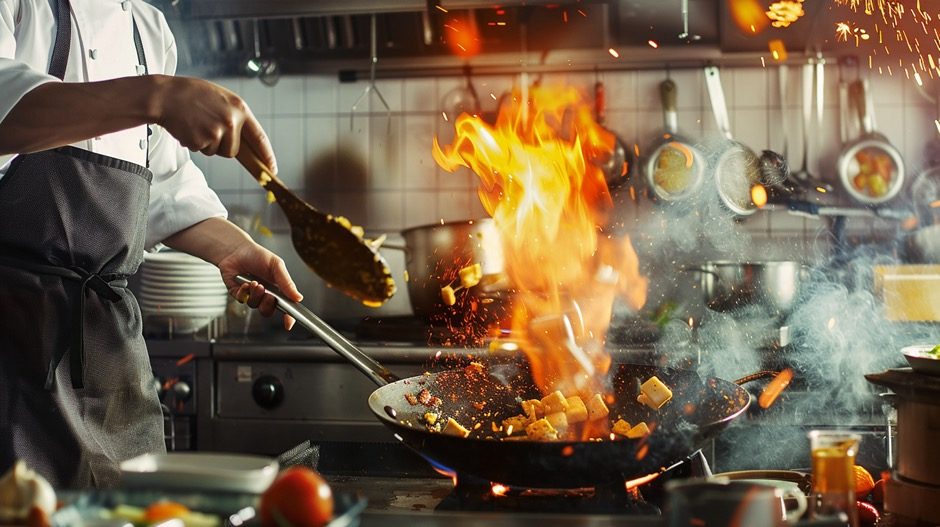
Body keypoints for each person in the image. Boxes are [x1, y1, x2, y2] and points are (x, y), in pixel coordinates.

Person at [0, 0, 303, 489]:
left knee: (139, 511)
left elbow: (161, 187)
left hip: (111, 355)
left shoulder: (147, 28)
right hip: (13, 348)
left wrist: (231, 247)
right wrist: (156, 97)